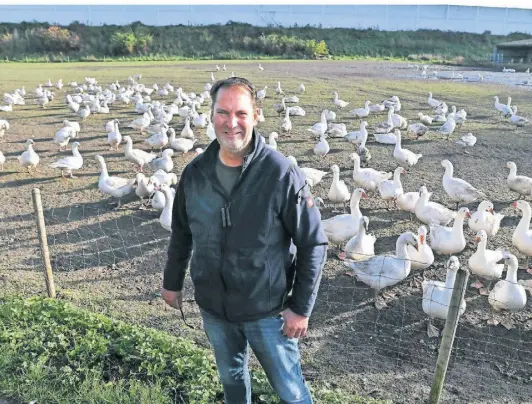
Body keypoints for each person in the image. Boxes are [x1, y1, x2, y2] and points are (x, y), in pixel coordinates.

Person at [161, 77, 328, 404]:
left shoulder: (280, 174)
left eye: (240, 113)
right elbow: (182, 232)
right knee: (232, 380)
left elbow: (313, 243)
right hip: (215, 308)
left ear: (256, 116)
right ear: (211, 117)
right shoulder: (195, 174)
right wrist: (172, 282)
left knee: (291, 392)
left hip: (268, 311)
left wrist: (300, 308)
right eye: (223, 113)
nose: (231, 122)